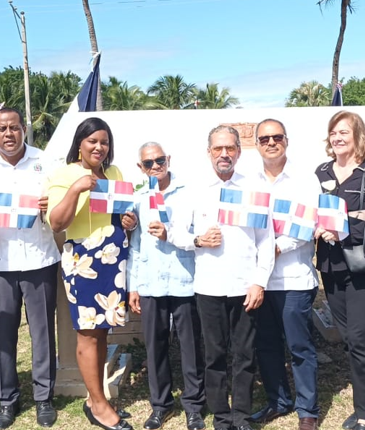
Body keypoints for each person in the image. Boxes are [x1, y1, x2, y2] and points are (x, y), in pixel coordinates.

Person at [169, 125, 274, 430]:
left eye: (230, 148)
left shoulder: (253, 189)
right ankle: (221, 416)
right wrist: (198, 241)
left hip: (245, 286)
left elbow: (266, 240)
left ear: (239, 152)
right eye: (218, 149)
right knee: (214, 355)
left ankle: (241, 416)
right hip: (209, 286)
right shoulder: (196, 190)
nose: (224, 154)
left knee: (244, 355)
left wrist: (260, 281)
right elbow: (175, 232)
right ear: (209, 153)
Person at [0, 108, 61, 429]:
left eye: (15, 128)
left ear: (24, 130)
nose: (9, 134)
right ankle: (7, 400)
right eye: (2, 129)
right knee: (2, 333)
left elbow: (61, 207)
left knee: (43, 332)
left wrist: (53, 206)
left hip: (40, 259)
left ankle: (43, 397)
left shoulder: (46, 162)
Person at [47, 117, 136, 430]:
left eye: (105, 142)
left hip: (113, 258)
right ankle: (98, 405)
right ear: (80, 144)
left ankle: (96, 398)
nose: (99, 147)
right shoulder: (66, 174)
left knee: (103, 330)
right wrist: (75, 189)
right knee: (88, 331)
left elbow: (120, 212)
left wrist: (128, 220)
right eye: (93, 141)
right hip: (83, 259)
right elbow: (57, 222)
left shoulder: (115, 173)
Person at [314, 111, 365, 430]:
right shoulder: (320, 172)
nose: (338, 137)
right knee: (348, 336)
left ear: (358, 136)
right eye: (333, 132)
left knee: (360, 336)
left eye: (344, 132)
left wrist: (345, 230)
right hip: (331, 266)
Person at [127, 142, 206, 430]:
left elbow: (199, 234)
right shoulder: (138, 199)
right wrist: (133, 286)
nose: (155, 166)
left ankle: (194, 406)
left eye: (159, 160)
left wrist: (171, 233)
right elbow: (134, 245)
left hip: (185, 279)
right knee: (155, 347)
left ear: (168, 159)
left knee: (191, 346)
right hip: (151, 281)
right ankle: (160, 405)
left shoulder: (190, 194)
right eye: (148, 163)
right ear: (141, 167)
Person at [248, 119, 321, 430]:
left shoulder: (305, 180)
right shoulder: (246, 181)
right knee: (266, 344)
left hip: (294, 278)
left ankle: (308, 409)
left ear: (286, 141)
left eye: (277, 137)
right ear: (257, 144)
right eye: (264, 138)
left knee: (299, 346)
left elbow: (306, 228)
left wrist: (270, 250)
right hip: (258, 282)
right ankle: (278, 400)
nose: (271, 143)